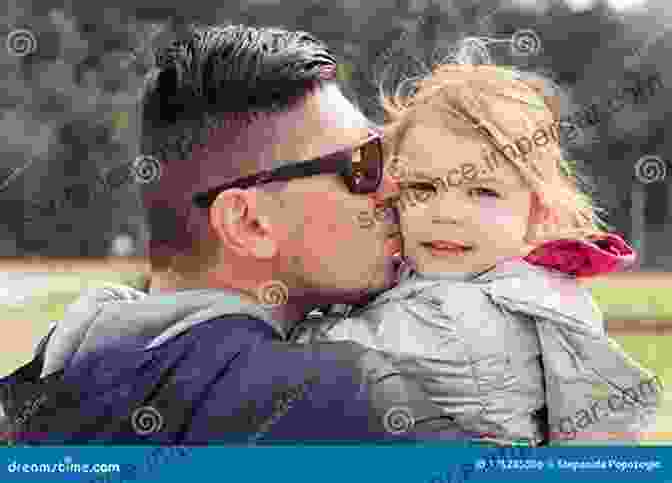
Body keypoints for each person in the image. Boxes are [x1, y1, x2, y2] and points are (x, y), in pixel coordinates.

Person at [0, 24, 468, 444]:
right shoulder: (342, 401)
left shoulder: (34, 397)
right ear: (248, 222)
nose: (391, 187)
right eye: (361, 165)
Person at [293, 62, 662, 445]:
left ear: (537, 211)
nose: (446, 213)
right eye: (422, 187)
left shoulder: (467, 316)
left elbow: (312, 354)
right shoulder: (509, 280)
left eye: (483, 192)